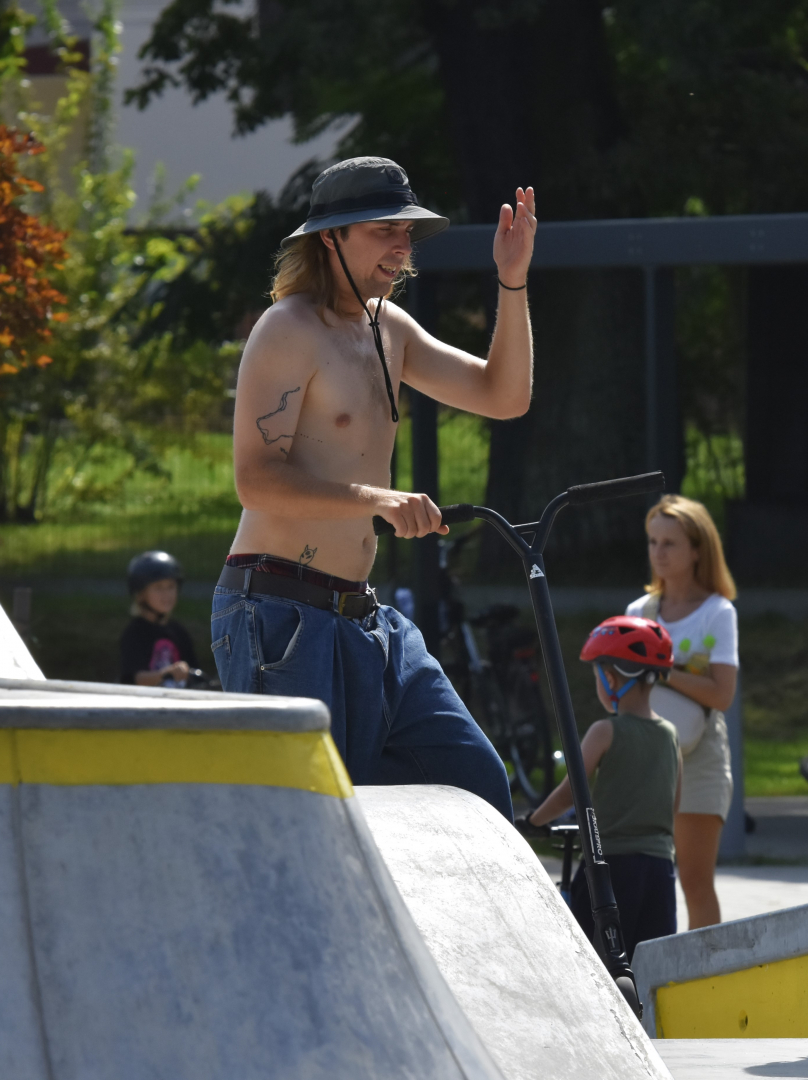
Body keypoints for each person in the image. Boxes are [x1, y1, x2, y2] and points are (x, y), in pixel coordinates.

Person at [210, 156, 536, 819]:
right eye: (384, 229)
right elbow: (255, 481)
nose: (402, 245)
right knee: (310, 825)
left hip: (362, 615)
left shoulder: (391, 327)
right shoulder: (287, 328)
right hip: (277, 611)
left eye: (407, 231)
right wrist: (377, 500)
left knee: (475, 784)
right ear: (331, 237)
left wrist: (512, 280)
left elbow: (504, 396)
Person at [526, 616, 683, 953]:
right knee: (649, 963)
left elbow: (571, 791)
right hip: (660, 870)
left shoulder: (605, 731)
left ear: (610, 678)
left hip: (610, 869)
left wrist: (533, 822)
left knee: (595, 962)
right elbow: (673, 803)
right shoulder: (671, 735)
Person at [625, 494, 739, 929]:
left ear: (697, 549)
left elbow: (722, 694)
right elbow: (618, 689)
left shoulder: (718, 612)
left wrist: (660, 669)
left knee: (694, 880)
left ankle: (706, 968)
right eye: (653, 542)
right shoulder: (639, 612)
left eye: (670, 543)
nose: (658, 552)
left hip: (699, 760)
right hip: (646, 758)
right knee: (642, 876)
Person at [121, 550, 201, 688]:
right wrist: (166, 674)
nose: (166, 594)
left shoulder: (179, 632)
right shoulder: (134, 633)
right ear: (140, 594)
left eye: (171, 587)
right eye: (158, 588)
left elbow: (195, 675)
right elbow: (134, 678)